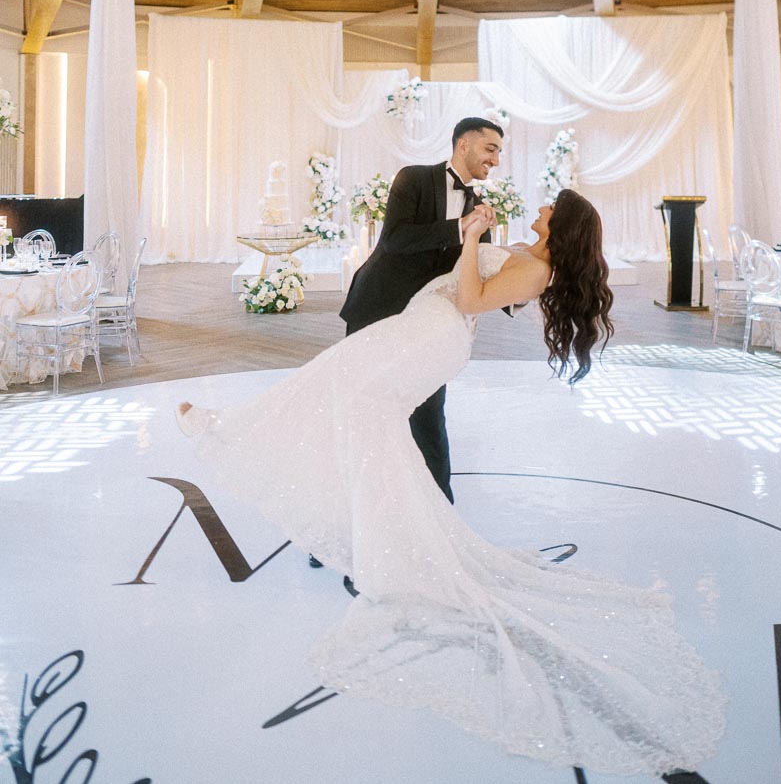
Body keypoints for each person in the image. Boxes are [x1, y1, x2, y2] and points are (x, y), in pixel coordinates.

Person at [177, 190, 725, 776]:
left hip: (429, 337)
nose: (539, 210)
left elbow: (471, 296)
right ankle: (371, 537)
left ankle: (231, 434)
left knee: (344, 394)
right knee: (356, 409)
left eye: (548, 209)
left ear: (560, 225)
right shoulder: (530, 253)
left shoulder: (539, 267)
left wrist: (469, 241)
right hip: (422, 330)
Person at [340, 114, 503, 502]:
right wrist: (460, 227)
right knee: (363, 415)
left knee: (430, 418)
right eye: (490, 149)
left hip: (428, 326)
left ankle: (441, 517)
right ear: (464, 145)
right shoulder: (413, 178)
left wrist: (524, 283)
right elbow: (395, 239)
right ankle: (340, 526)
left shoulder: (478, 207)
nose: (495, 160)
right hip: (377, 310)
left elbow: (476, 270)